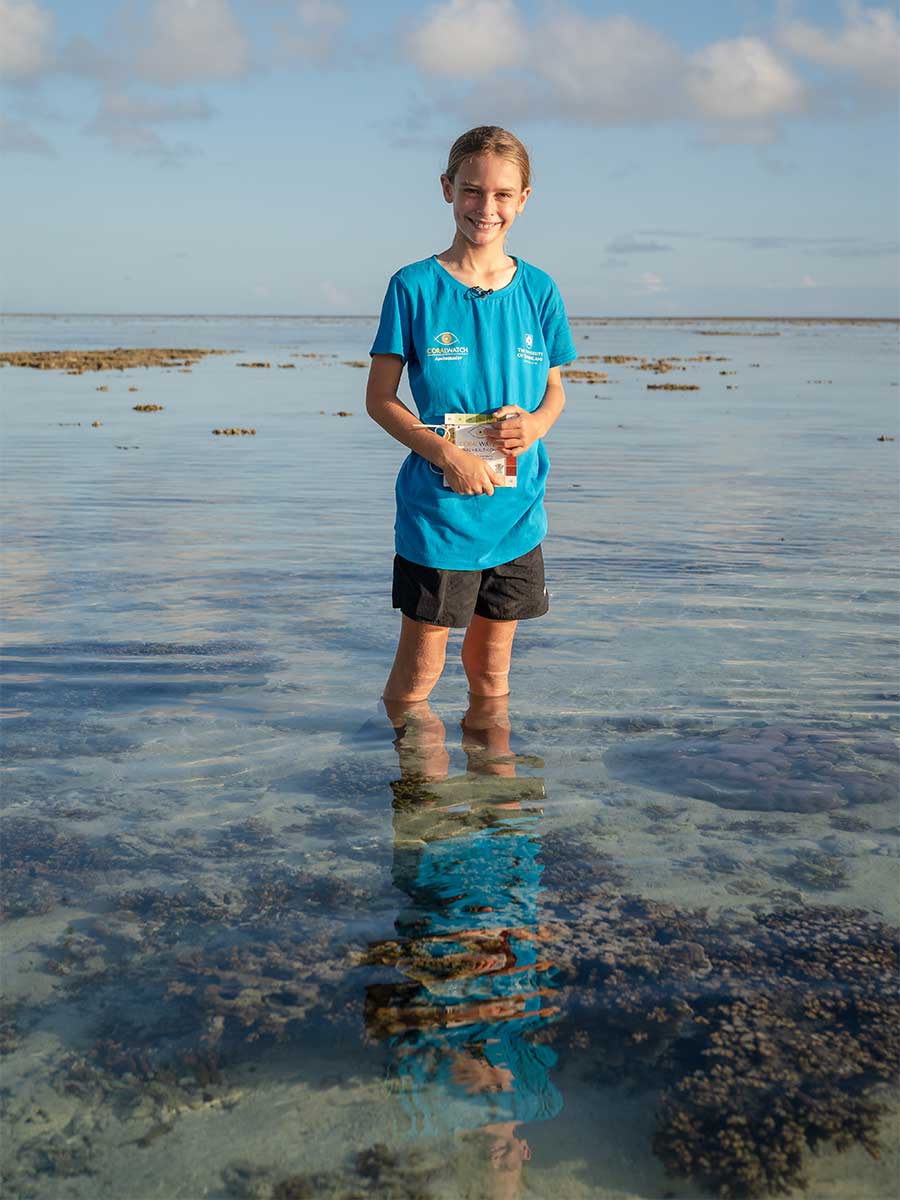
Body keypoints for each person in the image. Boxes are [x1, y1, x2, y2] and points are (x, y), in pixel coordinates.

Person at [366, 125, 577, 705]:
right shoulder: (412, 286)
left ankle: (494, 792)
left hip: (517, 512)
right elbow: (379, 398)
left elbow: (554, 390)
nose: (487, 208)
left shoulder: (540, 290)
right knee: (419, 677)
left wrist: (535, 424)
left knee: (491, 674)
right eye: (472, 191)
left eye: (503, 194)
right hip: (439, 514)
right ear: (448, 189)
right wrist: (448, 454)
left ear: (524, 199)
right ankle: (410, 786)